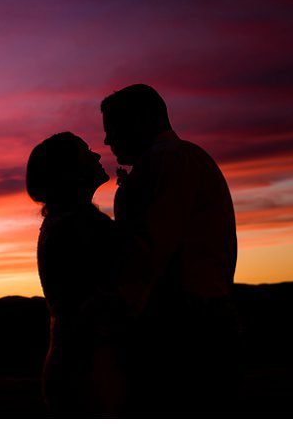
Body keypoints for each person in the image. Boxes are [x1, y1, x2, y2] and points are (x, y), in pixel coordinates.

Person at [98, 84, 239, 416]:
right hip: (193, 318)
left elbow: (151, 246)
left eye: (112, 129)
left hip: (184, 330)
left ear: (143, 121)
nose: (106, 141)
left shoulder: (170, 161)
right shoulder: (177, 160)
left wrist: (116, 315)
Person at [26, 132, 126, 416]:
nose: (96, 155)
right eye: (86, 151)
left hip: (74, 362)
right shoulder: (80, 226)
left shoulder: (65, 222)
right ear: (68, 171)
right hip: (90, 369)